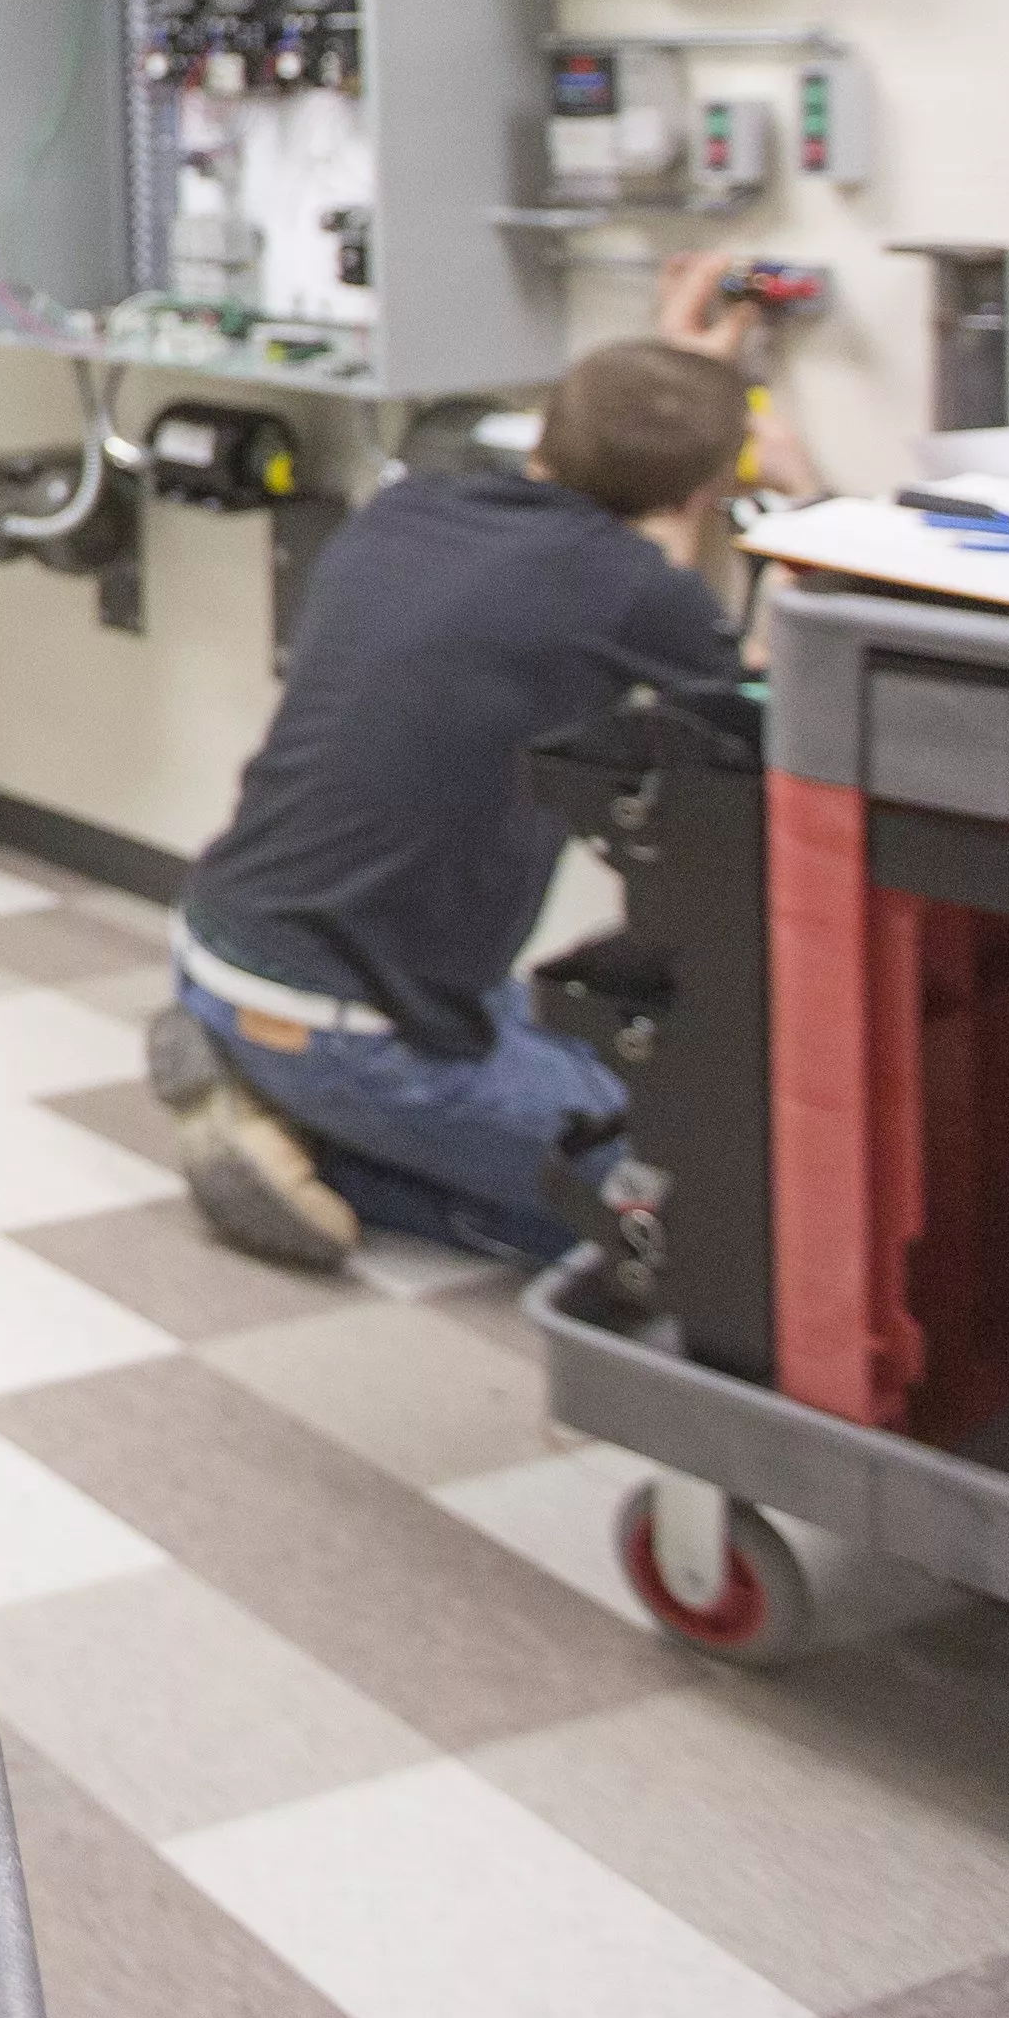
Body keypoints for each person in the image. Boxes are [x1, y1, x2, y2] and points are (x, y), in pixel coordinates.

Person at [156, 273, 797, 1271]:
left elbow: (603, 521)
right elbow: (765, 702)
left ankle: (256, 1081)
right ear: (695, 496)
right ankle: (324, 1146)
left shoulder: (403, 507)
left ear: (545, 430)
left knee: (607, 1059)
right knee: (682, 1198)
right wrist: (795, 491)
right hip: (348, 1024)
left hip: (221, 933)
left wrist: (673, 383)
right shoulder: (634, 590)